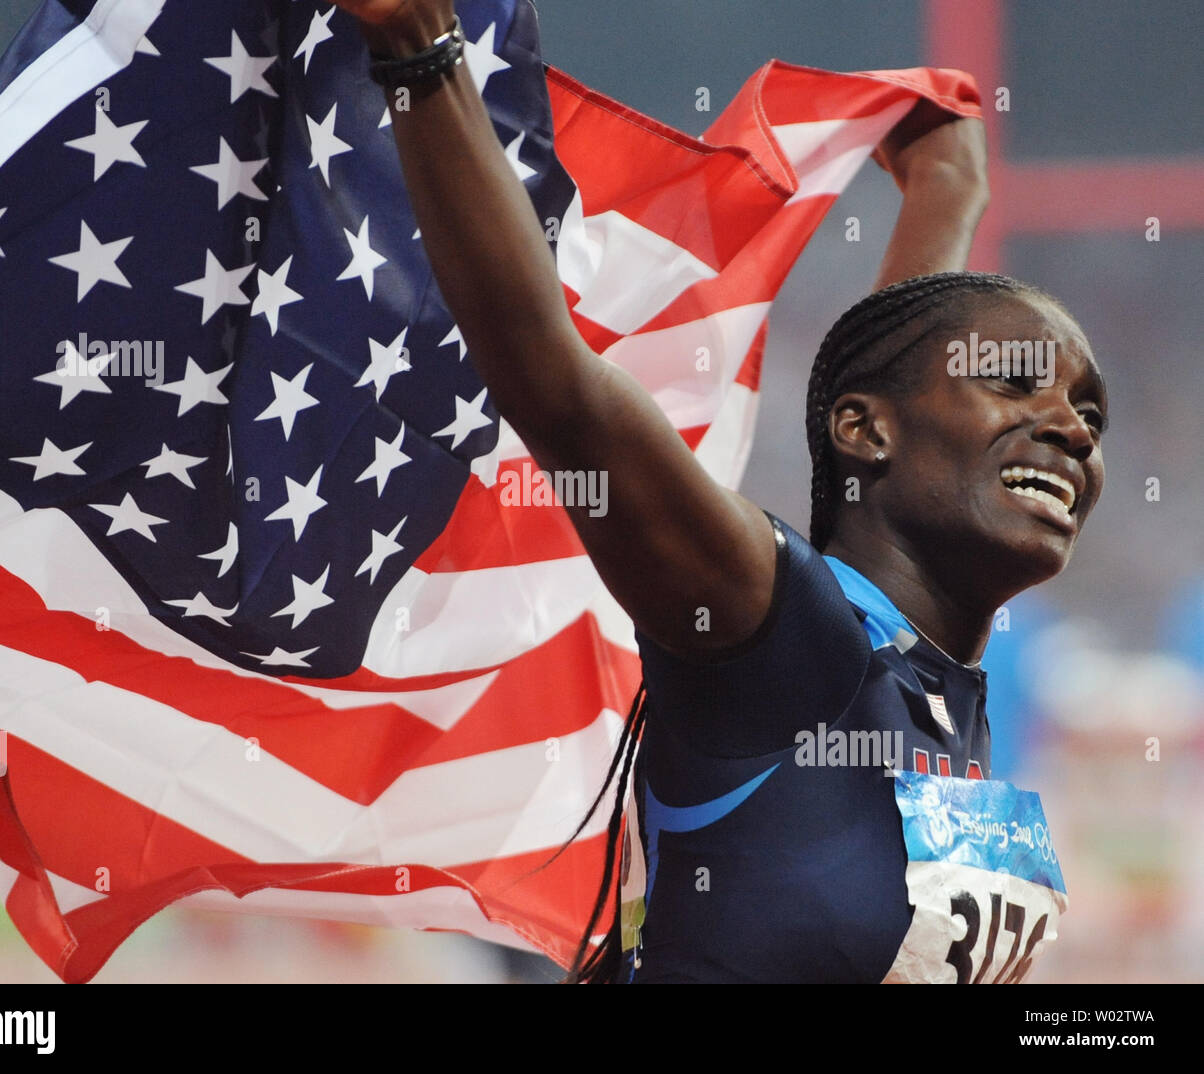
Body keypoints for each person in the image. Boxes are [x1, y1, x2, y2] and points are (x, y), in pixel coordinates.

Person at [326, 0, 1108, 982]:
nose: (1071, 426)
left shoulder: (942, 692)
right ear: (863, 431)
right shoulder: (778, 632)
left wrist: (943, 192)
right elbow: (558, 390)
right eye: (1014, 381)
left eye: (1090, 412)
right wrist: (420, 54)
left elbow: (888, 403)